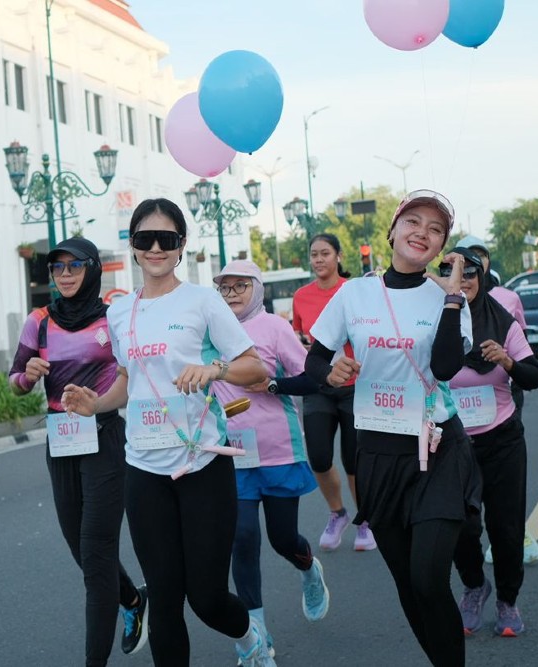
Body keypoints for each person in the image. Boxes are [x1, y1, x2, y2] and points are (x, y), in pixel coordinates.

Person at [61, 198, 273, 667]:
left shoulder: (202, 301)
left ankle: (251, 638)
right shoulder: (120, 312)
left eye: (167, 239)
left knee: (207, 597)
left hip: (203, 463)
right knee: (165, 601)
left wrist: (213, 369)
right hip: (144, 468)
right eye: (145, 239)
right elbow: (126, 380)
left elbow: (254, 367)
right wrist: (94, 404)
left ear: (181, 247)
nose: (156, 248)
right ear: (133, 247)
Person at [305, 189, 479, 667]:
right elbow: (315, 358)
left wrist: (450, 300)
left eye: (436, 229)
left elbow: (444, 367)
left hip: (438, 448)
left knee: (427, 577)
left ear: (442, 246)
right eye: (414, 221)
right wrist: (330, 373)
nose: (423, 232)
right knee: (407, 583)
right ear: (393, 230)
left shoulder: (447, 300)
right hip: (378, 455)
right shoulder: (354, 293)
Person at [7, 237, 147, 665]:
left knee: (96, 551)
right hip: (61, 439)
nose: (65, 275)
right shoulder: (40, 321)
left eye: (74, 266)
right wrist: (27, 376)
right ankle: (133, 600)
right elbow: (14, 381)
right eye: (57, 268)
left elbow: (134, 376)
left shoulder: (114, 319)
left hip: (104, 438)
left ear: (93, 270)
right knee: (80, 551)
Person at [210, 260, 329, 662]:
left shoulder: (275, 327)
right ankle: (256, 637)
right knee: (242, 539)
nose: (232, 295)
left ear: (257, 288)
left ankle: (310, 570)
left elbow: (312, 378)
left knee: (282, 540)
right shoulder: (208, 330)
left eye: (240, 286)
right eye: (224, 289)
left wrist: (273, 383)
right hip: (233, 453)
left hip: (278, 449)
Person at [446, 248, 538, 638]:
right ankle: (474, 586)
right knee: (460, 526)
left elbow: (533, 377)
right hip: (452, 444)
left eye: (470, 274)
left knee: (505, 529)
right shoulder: (435, 324)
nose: (463, 281)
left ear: (481, 278)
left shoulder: (502, 321)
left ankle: (507, 600)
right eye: (454, 275)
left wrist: (507, 362)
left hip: (501, 441)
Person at [291, 233, 376, 551]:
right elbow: (301, 335)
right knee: (319, 456)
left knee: (354, 461)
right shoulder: (301, 296)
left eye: (325, 253)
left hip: (355, 386)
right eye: (313, 254)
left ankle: (365, 520)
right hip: (319, 385)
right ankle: (337, 513)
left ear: (339, 256)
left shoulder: (354, 292)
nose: (318, 260)